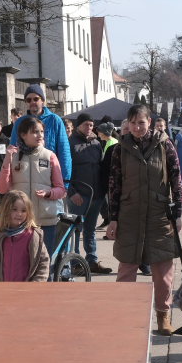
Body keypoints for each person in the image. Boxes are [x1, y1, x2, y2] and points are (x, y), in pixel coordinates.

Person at [105, 104, 182, 336]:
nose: (137, 127)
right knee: (126, 268)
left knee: (163, 271)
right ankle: (125, 316)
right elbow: (114, 185)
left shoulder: (164, 144)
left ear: (150, 122)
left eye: (141, 122)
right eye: (133, 123)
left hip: (159, 215)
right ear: (127, 124)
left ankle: (163, 316)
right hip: (129, 215)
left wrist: (178, 213)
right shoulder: (120, 149)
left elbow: (176, 179)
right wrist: (113, 218)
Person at [0, 118, 65, 253]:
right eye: (35, 132)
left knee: (44, 261)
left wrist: (49, 193)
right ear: (23, 135)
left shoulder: (50, 156)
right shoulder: (13, 156)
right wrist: (7, 161)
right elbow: (2, 189)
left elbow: (61, 190)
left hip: (45, 221)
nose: (40, 135)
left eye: (42, 132)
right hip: (19, 222)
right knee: (21, 262)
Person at [67, 113, 112, 274]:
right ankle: (74, 263)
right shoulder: (70, 143)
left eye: (91, 125)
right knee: (75, 230)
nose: (89, 127)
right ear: (78, 125)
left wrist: (103, 192)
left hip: (96, 195)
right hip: (79, 196)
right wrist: (72, 192)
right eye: (86, 124)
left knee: (90, 229)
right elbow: (65, 171)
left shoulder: (96, 143)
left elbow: (100, 167)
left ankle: (92, 261)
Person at [8, 84, 72, 182]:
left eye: (36, 99)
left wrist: (65, 181)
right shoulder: (20, 123)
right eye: (29, 100)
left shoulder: (55, 120)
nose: (32, 102)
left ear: (42, 100)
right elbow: (13, 150)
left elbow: (64, 152)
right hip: (24, 178)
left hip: (50, 177)